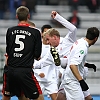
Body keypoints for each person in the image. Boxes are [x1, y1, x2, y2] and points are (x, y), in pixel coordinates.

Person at [2, 6, 44, 100]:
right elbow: (37, 55)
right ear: (28, 16)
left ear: (16, 16)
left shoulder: (10, 30)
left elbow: (9, 51)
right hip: (25, 70)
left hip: (10, 70)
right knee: (39, 97)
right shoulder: (35, 32)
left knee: (11, 95)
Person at [33, 10, 77, 100]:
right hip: (67, 77)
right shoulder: (52, 52)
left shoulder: (67, 40)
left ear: (55, 37)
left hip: (76, 74)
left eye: (48, 39)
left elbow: (73, 29)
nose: (47, 42)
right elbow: (40, 63)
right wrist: (23, 63)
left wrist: (58, 17)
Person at [59, 27, 99, 100]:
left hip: (69, 78)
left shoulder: (79, 41)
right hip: (72, 81)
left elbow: (73, 59)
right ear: (96, 38)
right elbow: (72, 65)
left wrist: (87, 64)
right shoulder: (82, 48)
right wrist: (81, 81)